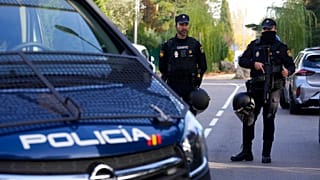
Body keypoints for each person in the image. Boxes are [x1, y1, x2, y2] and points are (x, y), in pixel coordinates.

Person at [230, 18, 295, 163]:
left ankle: (266, 153)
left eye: (269, 29)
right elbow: (242, 61)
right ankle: (246, 151)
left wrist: (287, 72)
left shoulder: (281, 47)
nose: (267, 31)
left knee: (269, 119)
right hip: (256, 88)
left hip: (274, 89)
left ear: (275, 29)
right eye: (265, 29)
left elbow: (291, 66)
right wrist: (254, 64)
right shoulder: (255, 45)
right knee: (249, 119)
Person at [159, 13, 207, 115]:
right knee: (172, 115)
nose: (184, 27)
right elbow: (162, 67)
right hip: (173, 85)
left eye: (186, 24)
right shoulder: (169, 45)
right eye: (181, 25)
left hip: (190, 85)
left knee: (189, 116)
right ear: (176, 26)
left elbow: (203, 65)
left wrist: (198, 80)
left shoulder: (194, 44)